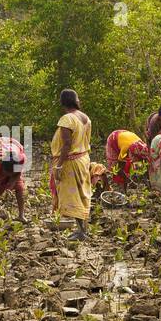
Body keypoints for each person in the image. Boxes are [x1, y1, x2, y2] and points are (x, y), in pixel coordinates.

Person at [50, 89, 93, 240]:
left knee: (73, 196)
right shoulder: (85, 117)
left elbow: (67, 144)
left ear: (63, 102)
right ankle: (83, 229)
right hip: (82, 158)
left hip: (71, 162)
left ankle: (81, 231)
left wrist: (59, 165)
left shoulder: (67, 119)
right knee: (82, 194)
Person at [0, 135, 29, 221]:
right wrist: (0, 208)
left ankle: (21, 216)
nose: (9, 176)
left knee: (19, 187)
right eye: (7, 173)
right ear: (2, 168)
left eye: (12, 173)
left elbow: (17, 174)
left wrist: (11, 185)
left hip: (13, 145)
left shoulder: (21, 159)